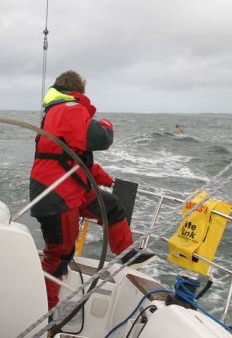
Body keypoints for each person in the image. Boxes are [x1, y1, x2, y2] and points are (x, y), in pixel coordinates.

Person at [30, 70, 155, 309]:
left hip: (69, 190)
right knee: (60, 253)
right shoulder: (69, 110)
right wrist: (106, 125)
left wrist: (107, 180)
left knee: (111, 207)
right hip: (55, 195)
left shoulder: (56, 113)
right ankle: (44, 313)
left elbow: (77, 160)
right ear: (78, 92)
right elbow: (101, 137)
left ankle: (126, 255)